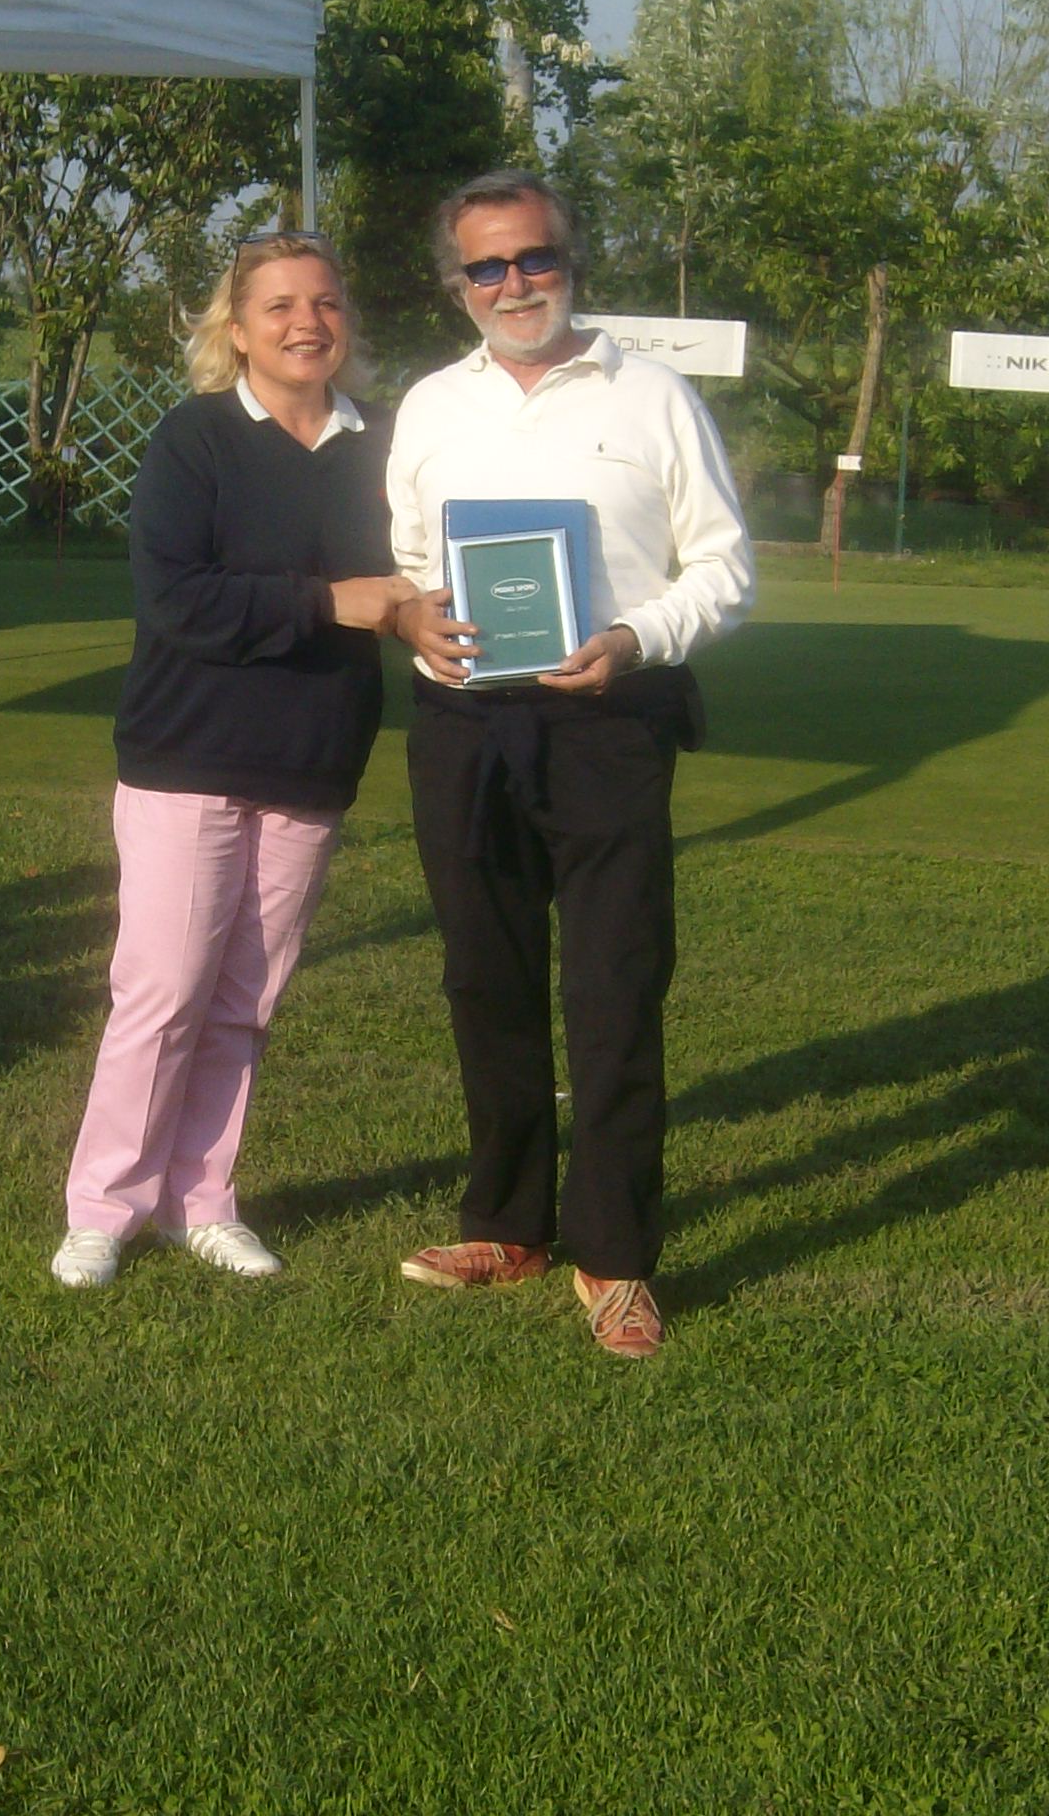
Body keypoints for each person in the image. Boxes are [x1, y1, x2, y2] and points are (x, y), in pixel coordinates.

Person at [385, 170, 756, 1357]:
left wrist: (635, 638)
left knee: (613, 985)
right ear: (458, 284)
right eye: (487, 266)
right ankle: (507, 1223)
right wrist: (414, 616)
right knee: (483, 979)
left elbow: (725, 567)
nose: (514, 283)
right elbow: (407, 558)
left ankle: (614, 1254)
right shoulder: (430, 404)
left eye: (533, 257)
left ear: (570, 261)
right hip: (462, 724)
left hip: (608, 718)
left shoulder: (654, 396)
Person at [52, 232, 415, 1288]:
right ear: (239, 329)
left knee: (244, 1003)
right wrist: (331, 602)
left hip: (312, 759)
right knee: (163, 992)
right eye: (280, 306)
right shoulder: (195, 437)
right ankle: (104, 1209)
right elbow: (177, 600)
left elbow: (423, 574)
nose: (308, 322)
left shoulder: (388, 445)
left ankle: (200, 1201)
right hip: (188, 753)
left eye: (327, 302)